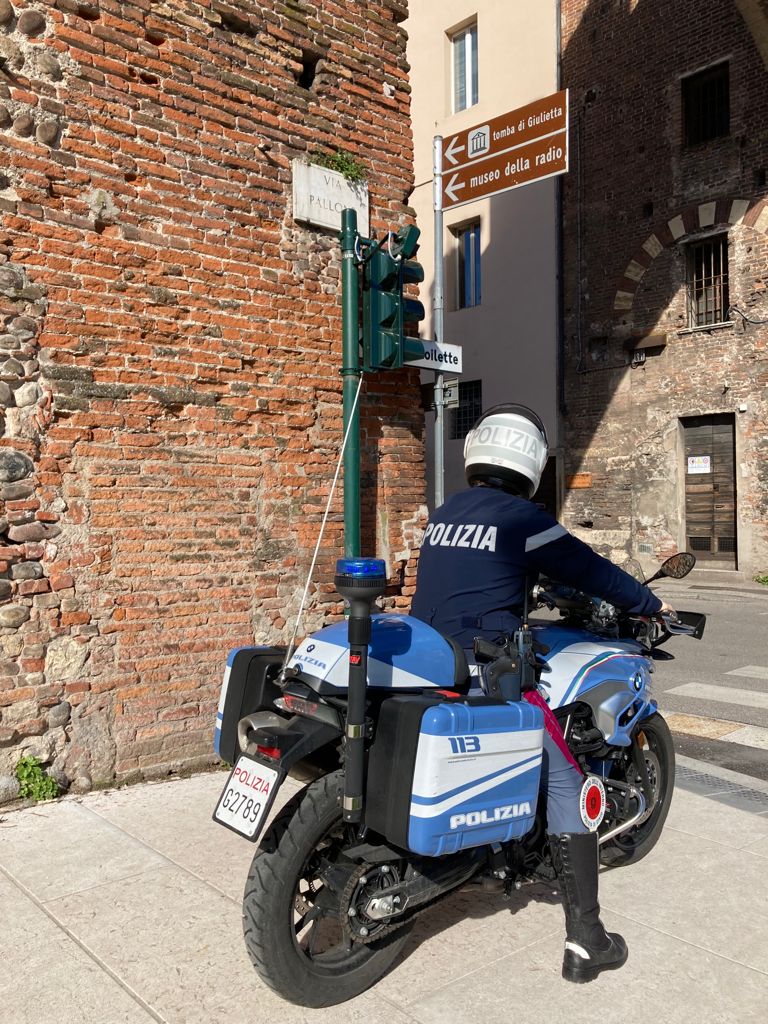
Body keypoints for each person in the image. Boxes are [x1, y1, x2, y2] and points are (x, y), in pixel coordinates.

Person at [411, 404, 675, 984]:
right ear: (531, 461)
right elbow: (594, 570)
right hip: (484, 672)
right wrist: (650, 602)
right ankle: (586, 939)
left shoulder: (444, 513)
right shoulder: (523, 520)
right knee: (567, 782)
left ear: (476, 451)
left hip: (428, 662)